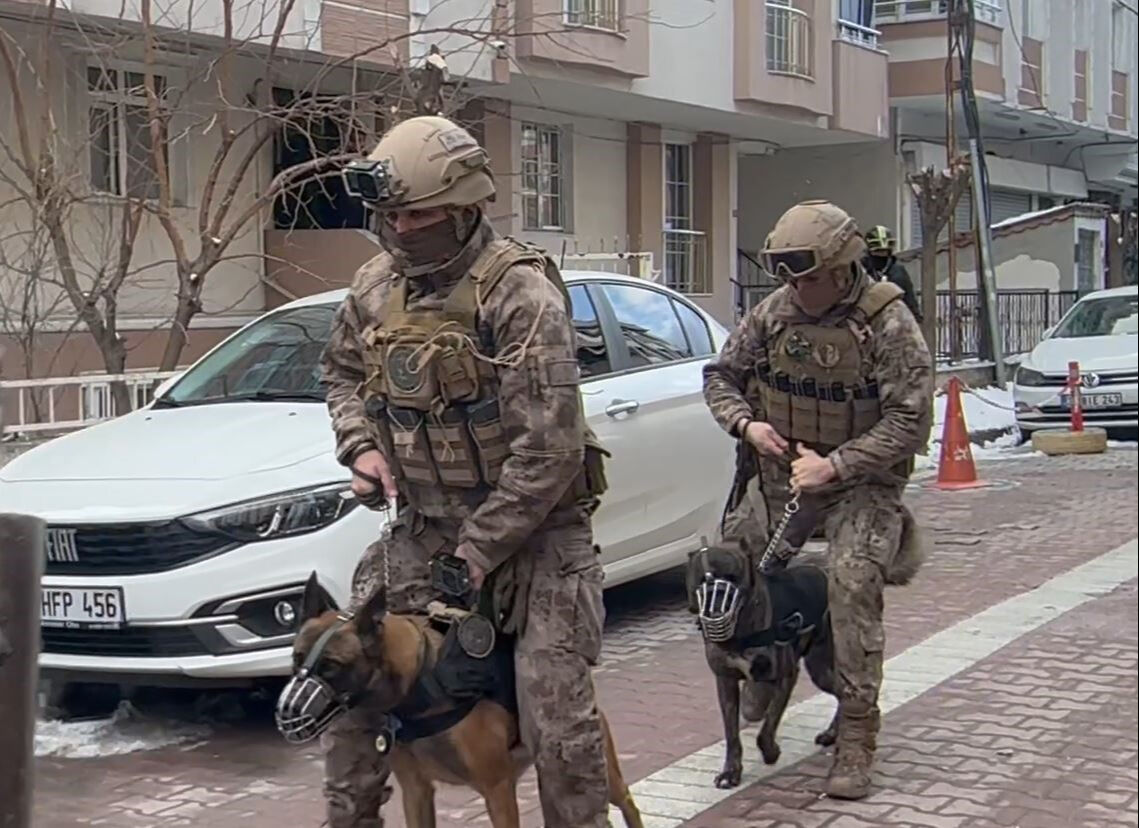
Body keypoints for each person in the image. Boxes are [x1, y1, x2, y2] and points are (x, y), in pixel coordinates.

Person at [319, 114, 612, 828]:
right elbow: (340, 373)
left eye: (418, 215)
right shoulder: (374, 287)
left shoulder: (520, 295)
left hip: (536, 537)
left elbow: (548, 452)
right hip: (424, 528)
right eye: (391, 216)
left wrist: (475, 553)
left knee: (554, 718)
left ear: (462, 209)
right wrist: (361, 447)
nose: (401, 230)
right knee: (346, 684)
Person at [703, 200, 934, 800]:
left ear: (841, 267)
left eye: (807, 278)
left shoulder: (887, 322)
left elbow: (910, 420)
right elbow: (720, 376)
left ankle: (856, 732)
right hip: (780, 478)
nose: (796, 289)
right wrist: (747, 425)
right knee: (731, 569)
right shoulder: (773, 314)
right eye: (788, 277)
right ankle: (755, 667)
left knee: (850, 585)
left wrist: (836, 465)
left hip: (860, 484)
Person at [863, 224, 922, 323]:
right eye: (877, 251)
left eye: (884, 251)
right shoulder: (861, 271)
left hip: (895, 321)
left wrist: (916, 318)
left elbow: (909, 298)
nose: (881, 255)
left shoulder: (898, 271)